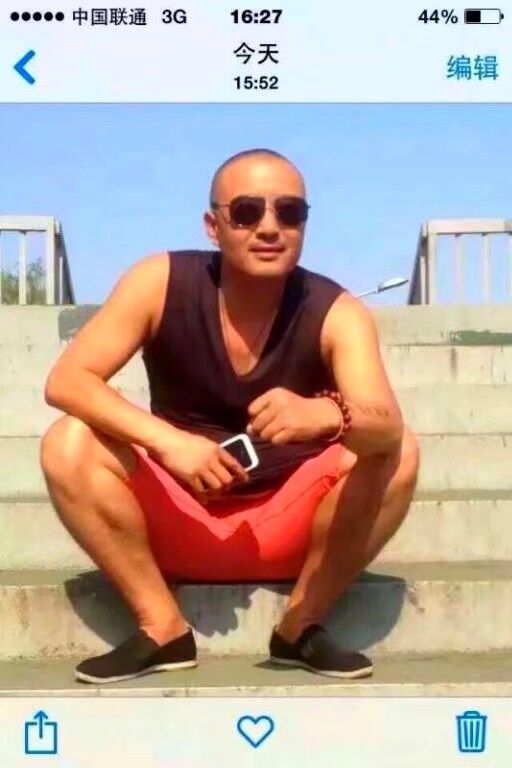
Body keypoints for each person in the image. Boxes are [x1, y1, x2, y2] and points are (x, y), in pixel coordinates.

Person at [40, 148, 420, 685]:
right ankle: (162, 628)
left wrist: (326, 413)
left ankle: (300, 626)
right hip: (180, 519)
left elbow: (387, 424)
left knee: (397, 451)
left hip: (289, 533)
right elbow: (68, 380)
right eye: (246, 212)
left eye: (289, 212)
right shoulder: (160, 281)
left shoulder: (337, 311)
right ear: (213, 225)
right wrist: (170, 442)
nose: (269, 227)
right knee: (69, 441)